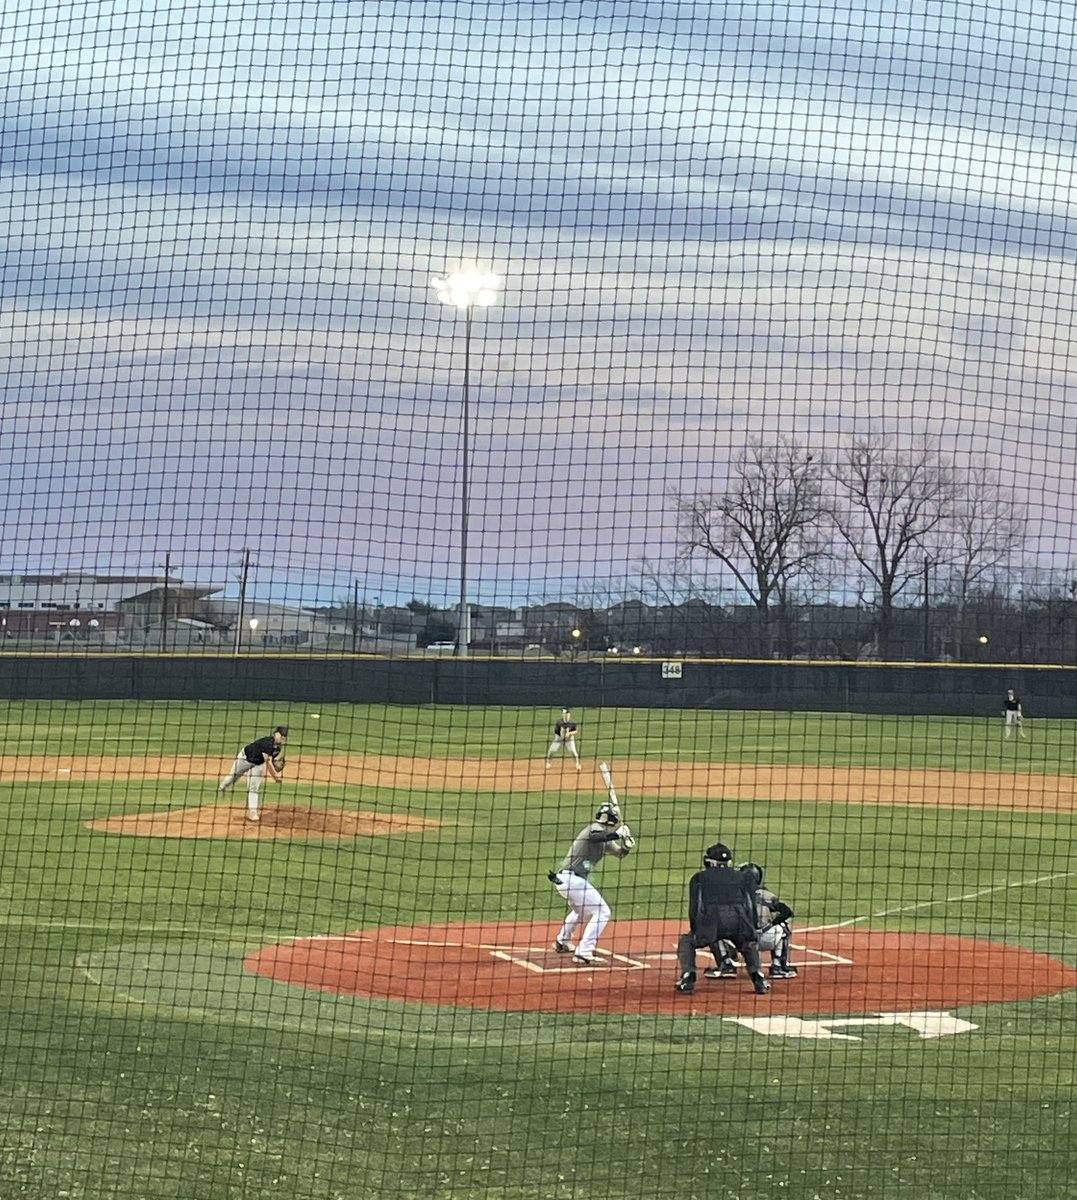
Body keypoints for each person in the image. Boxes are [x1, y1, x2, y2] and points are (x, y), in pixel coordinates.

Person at [674, 843, 769, 995]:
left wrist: (697, 930)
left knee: (687, 941)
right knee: (748, 944)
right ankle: (759, 978)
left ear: (709, 861)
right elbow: (750, 904)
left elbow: (696, 906)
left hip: (713, 920)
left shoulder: (699, 877)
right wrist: (752, 928)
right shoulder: (744, 876)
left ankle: (688, 977)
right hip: (738, 919)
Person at [547, 800, 635, 965]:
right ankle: (584, 952)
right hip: (572, 879)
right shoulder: (594, 829)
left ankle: (562, 941)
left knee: (581, 911)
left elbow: (620, 853)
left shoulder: (606, 839)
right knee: (603, 912)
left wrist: (627, 845)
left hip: (569, 881)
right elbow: (596, 838)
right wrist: (617, 834)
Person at [709, 863, 797, 979]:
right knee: (785, 926)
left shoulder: (732, 894)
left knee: (714, 926)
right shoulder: (767, 895)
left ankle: (726, 965)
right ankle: (778, 966)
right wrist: (772, 922)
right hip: (767, 939)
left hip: (741, 941)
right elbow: (787, 912)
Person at [219, 725, 288, 822]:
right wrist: (276, 777)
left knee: (254, 788)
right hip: (245, 759)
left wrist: (277, 766)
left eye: (284, 737)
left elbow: (271, 762)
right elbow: (267, 761)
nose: (282, 738)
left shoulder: (278, 748)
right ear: (276, 734)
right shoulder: (268, 742)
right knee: (233, 777)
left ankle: (253, 812)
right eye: (281, 735)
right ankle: (223, 785)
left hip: (257, 764)